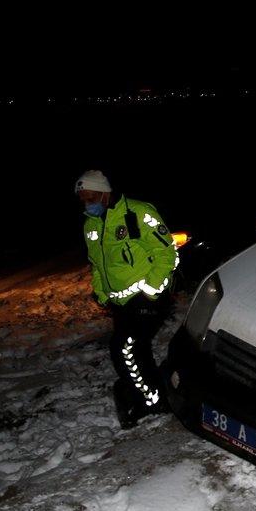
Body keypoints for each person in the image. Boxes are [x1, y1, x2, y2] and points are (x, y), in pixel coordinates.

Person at [75, 170, 179, 428]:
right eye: (83, 199)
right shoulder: (91, 224)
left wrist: (151, 291)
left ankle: (152, 402)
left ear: (105, 193)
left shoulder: (137, 213)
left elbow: (167, 254)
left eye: (91, 198)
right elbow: (97, 264)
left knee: (124, 348)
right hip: (120, 303)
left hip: (147, 299)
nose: (87, 204)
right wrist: (101, 293)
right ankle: (158, 392)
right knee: (138, 349)